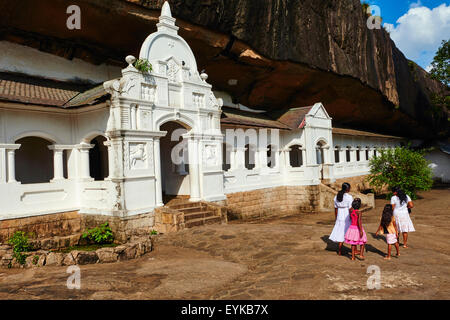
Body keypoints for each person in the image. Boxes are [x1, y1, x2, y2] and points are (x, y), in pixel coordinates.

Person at [329, 183, 353, 255]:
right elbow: (350, 209)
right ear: (347, 189)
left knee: (340, 232)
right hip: (346, 215)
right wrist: (352, 217)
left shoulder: (336, 196)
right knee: (350, 232)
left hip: (339, 215)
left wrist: (336, 217)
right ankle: (353, 250)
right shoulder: (349, 197)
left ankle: (339, 250)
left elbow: (335, 209)